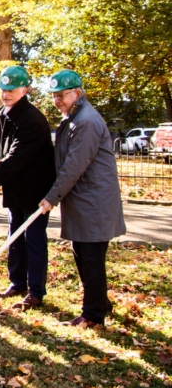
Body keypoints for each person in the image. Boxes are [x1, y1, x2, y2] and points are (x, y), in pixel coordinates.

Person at [40, 70, 125, 329]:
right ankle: (100, 304)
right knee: (86, 256)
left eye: (62, 95)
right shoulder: (74, 117)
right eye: (54, 96)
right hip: (84, 200)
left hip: (94, 203)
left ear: (78, 92)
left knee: (90, 259)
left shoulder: (85, 121)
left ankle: (93, 316)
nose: (58, 101)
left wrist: (51, 198)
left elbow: (74, 166)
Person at [0, 65, 56, 311]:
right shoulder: (2, 112)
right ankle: (17, 283)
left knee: (33, 240)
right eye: (3, 89)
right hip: (14, 187)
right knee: (15, 238)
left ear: (25, 90)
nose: (6, 94)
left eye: (11, 90)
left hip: (34, 189)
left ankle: (36, 292)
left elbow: (20, 154)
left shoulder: (32, 119)